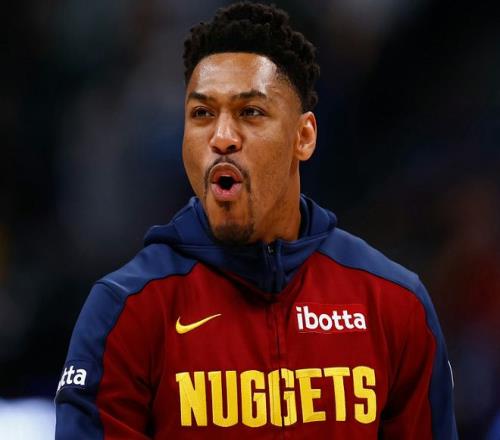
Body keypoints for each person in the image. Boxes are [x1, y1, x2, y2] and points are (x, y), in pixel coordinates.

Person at [55, 3, 458, 439]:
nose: (222, 138)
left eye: (250, 112)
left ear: (304, 136)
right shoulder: (127, 311)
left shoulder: (392, 304)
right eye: (202, 114)